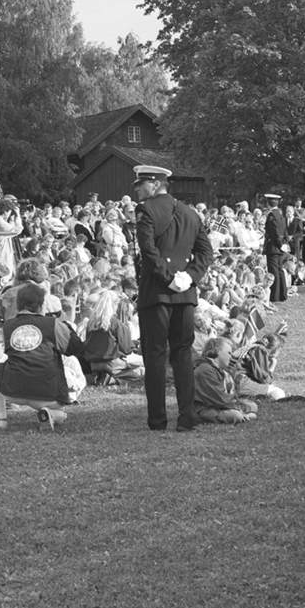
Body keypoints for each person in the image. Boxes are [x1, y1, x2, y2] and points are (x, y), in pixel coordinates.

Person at [134, 165, 214, 432]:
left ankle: (157, 420)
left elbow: (148, 250)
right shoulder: (190, 213)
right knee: (182, 356)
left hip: (157, 293)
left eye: (141, 184)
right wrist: (189, 277)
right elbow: (205, 252)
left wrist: (168, 277)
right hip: (184, 295)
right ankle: (187, 416)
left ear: (155, 185)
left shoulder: (146, 210)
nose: (136, 189)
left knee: (155, 356)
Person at [0, 282, 87, 430]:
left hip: (14, 391)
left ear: (18, 305)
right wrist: (65, 324)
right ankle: (49, 414)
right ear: (42, 304)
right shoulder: (52, 324)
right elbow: (74, 347)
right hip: (47, 393)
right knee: (60, 414)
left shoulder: (7, 326)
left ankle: (0, 419)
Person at [193, 336, 258, 424]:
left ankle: (242, 413)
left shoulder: (217, 369)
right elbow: (219, 398)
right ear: (217, 351)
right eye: (229, 353)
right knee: (236, 415)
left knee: (252, 405)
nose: (231, 357)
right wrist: (239, 408)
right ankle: (243, 415)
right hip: (205, 409)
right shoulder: (205, 370)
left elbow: (230, 394)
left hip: (218, 405)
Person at [263, 194, 289, 302]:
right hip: (280, 247)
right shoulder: (280, 215)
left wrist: (279, 244)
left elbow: (275, 232)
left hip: (274, 247)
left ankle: (275, 296)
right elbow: (285, 231)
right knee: (279, 270)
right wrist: (285, 243)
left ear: (268, 204)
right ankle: (283, 294)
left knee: (274, 271)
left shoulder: (272, 215)